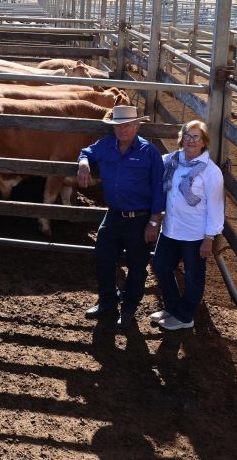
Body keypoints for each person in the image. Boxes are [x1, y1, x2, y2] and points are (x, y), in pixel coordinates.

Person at [77, 105, 166, 329]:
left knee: (137, 265)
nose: (122, 130)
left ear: (137, 126)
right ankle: (108, 300)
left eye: (127, 125)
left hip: (140, 218)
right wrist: (84, 163)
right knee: (103, 257)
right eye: (118, 126)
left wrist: (154, 221)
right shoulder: (106, 144)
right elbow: (86, 151)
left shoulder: (149, 152)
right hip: (114, 214)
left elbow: (159, 188)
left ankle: (128, 309)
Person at [148, 119, 225, 331]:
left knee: (193, 276)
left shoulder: (211, 172)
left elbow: (216, 207)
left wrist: (209, 238)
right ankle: (173, 308)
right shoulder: (172, 160)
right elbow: (151, 162)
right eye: (188, 136)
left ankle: (185, 316)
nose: (191, 141)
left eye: (196, 137)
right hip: (171, 228)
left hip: (195, 234)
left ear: (204, 142)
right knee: (161, 266)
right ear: (182, 139)